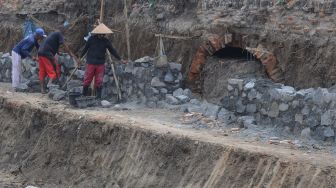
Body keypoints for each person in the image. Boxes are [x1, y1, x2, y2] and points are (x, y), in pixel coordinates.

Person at [80, 23, 125, 99]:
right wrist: (79, 57)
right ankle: (83, 96)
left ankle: (98, 98)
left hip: (100, 64)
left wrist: (120, 59)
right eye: (101, 34)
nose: (102, 35)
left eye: (103, 34)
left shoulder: (106, 41)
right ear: (98, 33)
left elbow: (112, 51)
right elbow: (85, 49)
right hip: (91, 62)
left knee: (99, 81)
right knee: (87, 79)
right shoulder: (91, 39)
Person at [38, 24, 70, 93]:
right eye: (65, 31)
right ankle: (49, 86)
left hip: (40, 53)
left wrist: (58, 53)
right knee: (54, 72)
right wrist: (71, 55)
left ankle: (42, 90)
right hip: (47, 54)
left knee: (42, 72)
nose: (65, 32)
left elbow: (54, 45)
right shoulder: (59, 33)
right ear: (63, 30)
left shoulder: (52, 34)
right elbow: (65, 46)